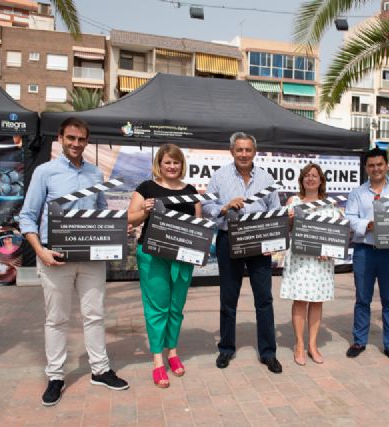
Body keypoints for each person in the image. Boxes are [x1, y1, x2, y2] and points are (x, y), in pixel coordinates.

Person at [19, 117, 129, 407]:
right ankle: (55, 376)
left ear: (87, 141)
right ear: (60, 138)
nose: (76, 144)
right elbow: (27, 216)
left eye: (81, 139)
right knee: (56, 319)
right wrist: (40, 251)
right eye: (71, 138)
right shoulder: (45, 172)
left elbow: (102, 212)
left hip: (91, 258)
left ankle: (100, 370)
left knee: (95, 315)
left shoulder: (95, 173)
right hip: (54, 257)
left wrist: (118, 229)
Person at [202, 131, 283, 374]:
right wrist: (224, 207)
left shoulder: (267, 178)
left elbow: (275, 210)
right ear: (232, 151)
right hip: (229, 239)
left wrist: (272, 242)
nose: (244, 154)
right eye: (239, 150)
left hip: (259, 243)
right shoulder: (220, 176)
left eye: (248, 150)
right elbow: (206, 206)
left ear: (255, 152)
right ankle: (226, 348)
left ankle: (268, 353)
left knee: (264, 299)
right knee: (228, 298)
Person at [127, 144, 200, 388]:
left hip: (182, 257)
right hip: (153, 256)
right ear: (159, 164)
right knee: (157, 308)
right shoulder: (146, 188)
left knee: (176, 307)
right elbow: (130, 218)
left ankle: (173, 351)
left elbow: (198, 224)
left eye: (176, 162)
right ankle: (158, 359)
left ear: (182, 165)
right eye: (167, 162)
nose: (172, 166)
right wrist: (145, 211)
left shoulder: (191, 191)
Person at [345, 147, 389, 365]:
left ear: (387, 165)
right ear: (366, 168)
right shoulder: (357, 193)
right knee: (362, 299)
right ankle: (359, 341)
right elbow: (350, 218)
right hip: (364, 251)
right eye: (371, 165)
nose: (376, 169)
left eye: (380, 164)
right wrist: (368, 224)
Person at [280, 163, 340, 365]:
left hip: (321, 261)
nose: (310, 178)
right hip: (300, 259)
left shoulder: (329, 205)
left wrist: (329, 250)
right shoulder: (293, 201)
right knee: (300, 300)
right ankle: (299, 344)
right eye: (307, 175)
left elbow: (337, 234)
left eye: (314, 175)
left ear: (321, 180)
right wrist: (288, 220)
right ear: (302, 180)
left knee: (316, 301)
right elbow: (283, 229)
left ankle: (312, 345)